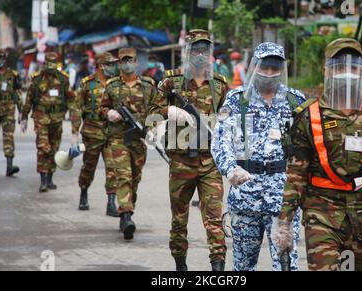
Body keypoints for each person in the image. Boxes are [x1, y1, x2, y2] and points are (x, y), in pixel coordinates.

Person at [274, 38, 362, 271]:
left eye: (352, 66)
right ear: (327, 71)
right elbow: (296, 174)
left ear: (361, 70)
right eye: (339, 65)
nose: (346, 71)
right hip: (321, 213)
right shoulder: (308, 117)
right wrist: (284, 221)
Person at [212, 42, 305, 271]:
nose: (270, 73)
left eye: (275, 68)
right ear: (255, 66)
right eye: (265, 67)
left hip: (283, 199)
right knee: (243, 266)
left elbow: (307, 149)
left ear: (282, 69)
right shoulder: (236, 100)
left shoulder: (296, 102)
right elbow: (220, 141)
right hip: (245, 196)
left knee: (286, 265)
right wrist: (230, 169)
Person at [149, 29, 228, 271]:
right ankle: (180, 265)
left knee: (214, 218)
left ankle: (218, 267)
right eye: (195, 49)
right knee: (179, 218)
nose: (200, 54)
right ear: (187, 52)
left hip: (210, 162)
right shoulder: (172, 81)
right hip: (181, 162)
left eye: (205, 49)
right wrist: (168, 112)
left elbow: (229, 119)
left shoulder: (219, 85)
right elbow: (150, 113)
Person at [101, 47, 158, 241]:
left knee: (135, 178)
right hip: (118, 138)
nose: (127, 64)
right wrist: (109, 113)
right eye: (123, 61)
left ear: (136, 62)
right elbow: (102, 107)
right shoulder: (112, 85)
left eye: (130, 60)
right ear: (119, 63)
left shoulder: (149, 85)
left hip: (139, 140)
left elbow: (157, 109)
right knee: (124, 176)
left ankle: (127, 211)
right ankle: (126, 216)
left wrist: (153, 128)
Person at [21, 52, 80, 192]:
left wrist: (75, 130)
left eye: (54, 65)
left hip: (57, 118)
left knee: (54, 148)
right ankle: (43, 180)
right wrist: (24, 117)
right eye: (49, 64)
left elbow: (72, 103)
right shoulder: (37, 79)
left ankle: (50, 178)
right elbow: (29, 99)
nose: (51, 68)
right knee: (43, 147)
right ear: (45, 64)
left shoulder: (63, 80)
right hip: (40, 117)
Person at [74, 52, 119, 217]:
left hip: (111, 132)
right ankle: (84, 192)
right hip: (92, 133)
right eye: (110, 64)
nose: (114, 67)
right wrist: (74, 130)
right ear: (101, 66)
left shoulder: (115, 83)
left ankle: (111, 202)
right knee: (89, 167)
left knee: (113, 167)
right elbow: (77, 107)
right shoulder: (87, 84)